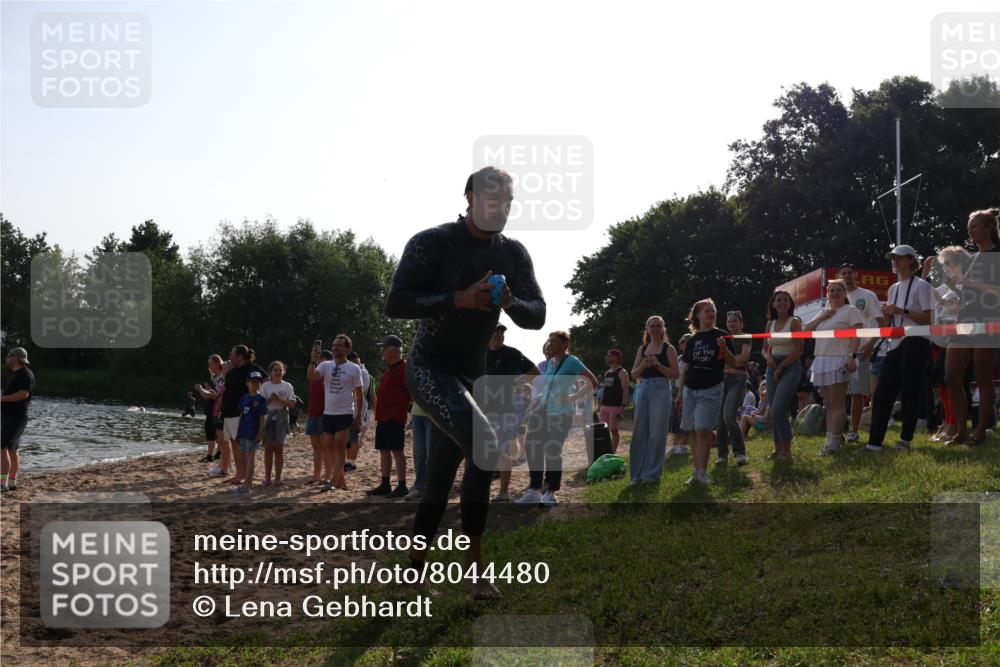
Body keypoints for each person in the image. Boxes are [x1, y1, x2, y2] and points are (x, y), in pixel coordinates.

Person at [384, 166, 545, 600]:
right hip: (429, 368)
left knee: (440, 477)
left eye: (508, 201)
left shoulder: (513, 254)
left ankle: (414, 572)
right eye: (493, 199)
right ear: (470, 197)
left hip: (472, 377)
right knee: (486, 447)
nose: (501, 208)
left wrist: (510, 301)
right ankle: (476, 573)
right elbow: (395, 302)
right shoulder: (432, 242)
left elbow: (538, 314)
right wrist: (456, 298)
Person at [860, 246, 934, 452]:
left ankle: (905, 440)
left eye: (898, 258)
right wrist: (885, 314)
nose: (894, 261)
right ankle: (874, 443)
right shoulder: (893, 288)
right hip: (895, 343)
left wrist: (901, 311)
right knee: (882, 393)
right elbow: (888, 323)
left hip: (916, 340)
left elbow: (929, 318)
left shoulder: (922, 285)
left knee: (910, 390)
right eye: (893, 258)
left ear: (911, 260)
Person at [516, 330, 599, 504]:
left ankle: (551, 493)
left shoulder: (572, 361)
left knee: (552, 451)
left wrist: (572, 397)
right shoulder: (550, 363)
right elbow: (550, 387)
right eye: (549, 341)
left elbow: (593, 382)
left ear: (565, 344)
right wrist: (539, 398)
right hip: (542, 411)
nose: (550, 344)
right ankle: (534, 490)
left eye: (554, 341)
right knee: (532, 447)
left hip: (561, 414)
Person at [943, 208, 1000, 446]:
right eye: (969, 227)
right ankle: (961, 433)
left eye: (974, 226)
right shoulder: (972, 258)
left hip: (988, 321)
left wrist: (969, 282)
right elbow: (970, 294)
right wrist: (955, 290)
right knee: (951, 376)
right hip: (964, 320)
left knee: (982, 377)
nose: (970, 231)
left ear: (989, 227)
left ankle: (980, 433)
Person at [678, 299, 738, 484]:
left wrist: (724, 349)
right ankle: (696, 472)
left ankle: (703, 473)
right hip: (690, 390)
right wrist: (679, 392)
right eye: (707, 311)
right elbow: (685, 367)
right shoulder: (692, 339)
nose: (711, 314)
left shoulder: (722, 335)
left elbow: (733, 362)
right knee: (693, 432)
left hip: (710, 389)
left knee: (703, 431)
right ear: (697, 315)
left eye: (713, 311)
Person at [803, 279, 863, 455]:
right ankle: (830, 440)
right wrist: (823, 316)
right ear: (827, 294)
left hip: (840, 359)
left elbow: (857, 335)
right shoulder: (824, 312)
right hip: (821, 360)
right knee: (828, 404)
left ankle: (835, 442)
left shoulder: (851, 310)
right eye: (832, 290)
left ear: (845, 293)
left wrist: (851, 356)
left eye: (839, 290)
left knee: (837, 403)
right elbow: (806, 329)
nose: (835, 293)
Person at [486, 324, 539, 502]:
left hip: (505, 410)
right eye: (496, 331)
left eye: (502, 332)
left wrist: (515, 383)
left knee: (504, 450)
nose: (499, 334)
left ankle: (503, 492)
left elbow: (535, 372)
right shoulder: (478, 352)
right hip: (481, 410)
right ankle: (478, 489)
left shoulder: (512, 353)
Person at [307, 334, 365, 492]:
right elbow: (312, 376)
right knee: (328, 447)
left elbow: (359, 394)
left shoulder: (354, 368)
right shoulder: (326, 365)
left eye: (339, 345)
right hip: (328, 413)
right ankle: (341, 481)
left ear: (347, 349)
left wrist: (358, 416)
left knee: (339, 445)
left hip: (345, 412)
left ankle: (332, 481)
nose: (335, 348)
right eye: (333, 345)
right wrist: (312, 361)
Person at [924, 247, 970, 442]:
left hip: (957, 338)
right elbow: (926, 295)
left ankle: (955, 425)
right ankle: (947, 421)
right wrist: (925, 272)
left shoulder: (967, 284)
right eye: (944, 264)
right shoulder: (944, 286)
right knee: (942, 385)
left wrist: (945, 298)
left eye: (949, 263)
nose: (946, 267)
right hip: (938, 338)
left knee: (953, 382)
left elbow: (965, 306)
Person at [840, 263, 889, 443]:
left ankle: (854, 431)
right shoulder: (836, 296)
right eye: (844, 273)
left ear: (856, 274)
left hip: (860, 351)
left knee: (857, 393)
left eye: (849, 273)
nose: (847, 276)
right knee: (837, 393)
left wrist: (871, 344)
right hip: (838, 351)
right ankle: (837, 430)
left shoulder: (868, 296)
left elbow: (882, 324)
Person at [628, 316, 679, 484]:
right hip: (643, 388)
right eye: (652, 326)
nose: (655, 329)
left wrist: (657, 364)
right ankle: (636, 475)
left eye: (658, 326)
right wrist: (644, 365)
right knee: (639, 431)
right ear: (647, 328)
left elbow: (675, 374)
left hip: (661, 389)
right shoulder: (642, 349)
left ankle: (651, 475)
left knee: (657, 433)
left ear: (662, 328)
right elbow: (633, 374)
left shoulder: (668, 348)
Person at [761, 290, 804, 462]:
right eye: (778, 300)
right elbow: (764, 349)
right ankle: (777, 449)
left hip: (790, 366)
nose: (782, 302)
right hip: (772, 366)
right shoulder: (769, 324)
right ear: (773, 304)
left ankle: (786, 451)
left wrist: (781, 367)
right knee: (774, 410)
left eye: (786, 300)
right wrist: (768, 358)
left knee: (778, 409)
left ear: (790, 304)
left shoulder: (794, 322)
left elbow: (799, 349)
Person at [367, 335, 412, 498]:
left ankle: (402, 485)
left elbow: (412, 393)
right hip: (383, 417)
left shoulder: (404, 368)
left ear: (393, 350)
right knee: (384, 451)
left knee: (397, 451)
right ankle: (385, 484)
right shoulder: (390, 368)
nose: (382, 351)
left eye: (384, 348)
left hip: (395, 417)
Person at [219, 345, 266, 485]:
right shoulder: (233, 370)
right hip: (228, 412)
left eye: (232, 354)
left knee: (240, 445)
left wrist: (255, 398)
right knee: (234, 444)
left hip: (240, 412)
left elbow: (266, 379)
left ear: (240, 356)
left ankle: (242, 475)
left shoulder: (252, 368)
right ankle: (239, 474)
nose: (230, 357)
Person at [715, 310, 753, 466]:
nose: (731, 324)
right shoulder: (723, 338)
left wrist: (730, 362)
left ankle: (740, 452)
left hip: (738, 379)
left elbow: (742, 359)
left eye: (734, 321)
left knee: (729, 416)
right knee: (720, 420)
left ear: (741, 323)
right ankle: (722, 455)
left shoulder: (746, 337)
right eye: (729, 321)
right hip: (722, 380)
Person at [1, 347, 35, 492]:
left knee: (2, 447)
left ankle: (2, 483)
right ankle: (12, 482)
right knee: (12, 449)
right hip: (9, 417)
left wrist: (1, 399)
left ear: (15, 357)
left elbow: (23, 395)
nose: (6, 358)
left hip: (16, 418)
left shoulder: (25, 374)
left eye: (8, 356)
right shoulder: (15, 374)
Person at [232, 371, 268, 494]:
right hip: (243, 431)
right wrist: (237, 432)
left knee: (250, 457)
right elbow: (241, 415)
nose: (255, 384)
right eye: (253, 382)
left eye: (258, 382)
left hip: (253, 433)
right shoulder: (244, 397)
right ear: (247, 383)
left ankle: (246, 486)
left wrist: (260, 433)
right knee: (244, 457)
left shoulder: (261, 399)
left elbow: (262, 418)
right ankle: (249, 483)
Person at [261, 361, 295, 486]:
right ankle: (267, 479)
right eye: (275, 370)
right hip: (268, 419)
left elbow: (292, 404)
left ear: (283, 372)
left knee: (279, 449)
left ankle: (278, 479)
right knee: (268, 449)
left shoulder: (287, 386)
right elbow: (261, 404)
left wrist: (279, 399)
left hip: (281, 419)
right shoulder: (265, 386)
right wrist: (270, 399)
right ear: (270, 372)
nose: (278, 372)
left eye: (280, 370)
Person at [304, 349, 334, 485]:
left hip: (325, 414)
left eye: (321, 358)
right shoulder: (315, 373)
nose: (318, 360)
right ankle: (316, 476)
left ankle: (328, 476)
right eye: (317, 358)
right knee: (316, 448)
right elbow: (309, 375)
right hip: (313, 413)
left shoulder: (330, 373)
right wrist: (312, 361)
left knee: (326, 447)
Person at [598, 349, 631, 454]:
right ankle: (605, 452)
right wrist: (600, 404)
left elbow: (625, 389)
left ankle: (612, 453)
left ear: (616, 357)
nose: (607, 357)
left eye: (609, 355)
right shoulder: (607, 372)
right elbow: (605, 389)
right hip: (604, 406)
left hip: (615, 406)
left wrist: (623, 405)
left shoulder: (622, 372)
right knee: (603, 431)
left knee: (614, 431)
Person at [193, 354, 225, 462]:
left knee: (211, 430)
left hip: (217, 409)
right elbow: (216, 392)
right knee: (217, 432)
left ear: (217, 363)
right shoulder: (214, 376)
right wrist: (210, 389)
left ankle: (211, 455)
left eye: (211, 363)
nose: (209, 365)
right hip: (216, 408)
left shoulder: (222, 376)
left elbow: (214, 395)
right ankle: (218, 453)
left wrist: (200, 389)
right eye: (208, 363)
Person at [345, 350, 372, 472]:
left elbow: (359, 389)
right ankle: (347, 461)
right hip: (349, 407)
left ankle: (351, 462)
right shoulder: (355, 370)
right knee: (348, 437)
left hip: (357, 409)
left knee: (354, 436)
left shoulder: (363, 372)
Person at [668, 333, 692, 455]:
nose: (680, 343)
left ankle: (683, 445)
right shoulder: (679, 358)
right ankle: (674, 445)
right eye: (680, 341)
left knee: (685, 419)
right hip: (676, 392)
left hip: (687, 391)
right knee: (675, 420)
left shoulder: (693, 358)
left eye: (683, 341)